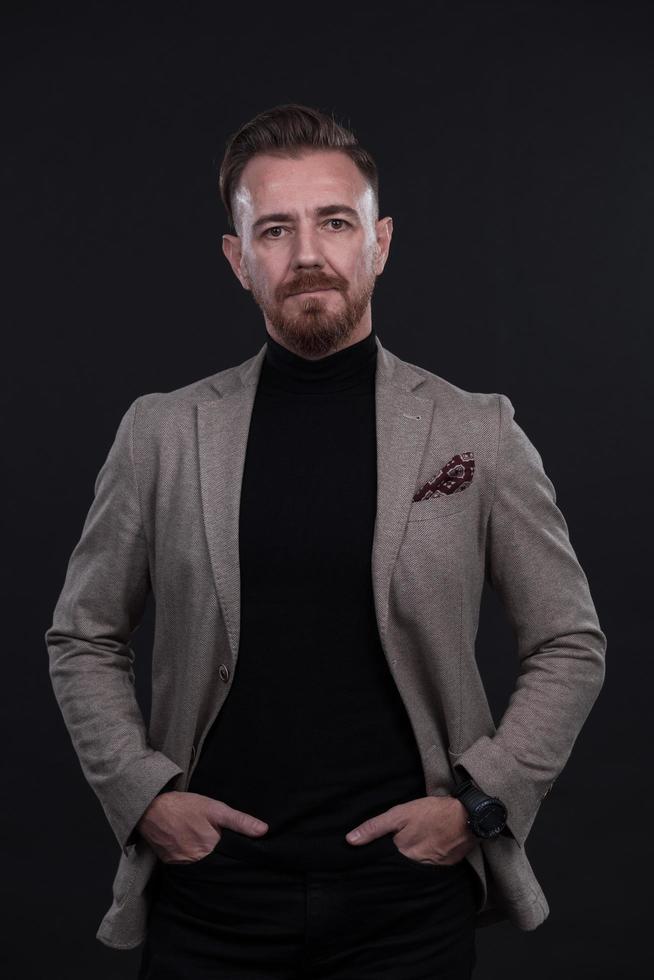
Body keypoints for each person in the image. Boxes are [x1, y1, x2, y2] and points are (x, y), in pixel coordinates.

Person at [45, 103, 606, 979]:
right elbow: (83, 636)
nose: (307, 253)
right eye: (274, 228)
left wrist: (480, 803)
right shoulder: (160, 433)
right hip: (210, 898)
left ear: (379, 242)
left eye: (334, 221)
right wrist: (144, 795)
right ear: (238, 259)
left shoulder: (478, 431)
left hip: (410, 900)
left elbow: (570, 642)